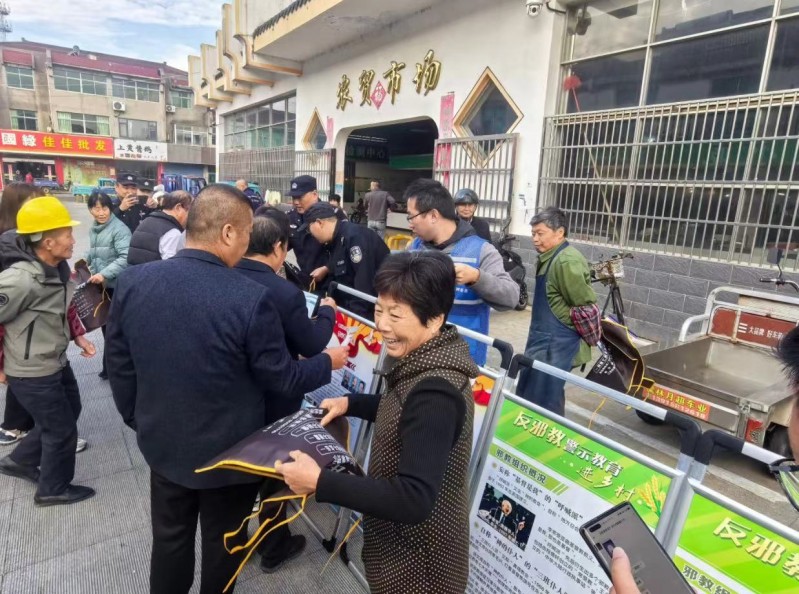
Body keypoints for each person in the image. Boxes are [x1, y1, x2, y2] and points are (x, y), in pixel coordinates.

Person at [106, 183, 348, 594]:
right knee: (223, 547)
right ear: (229, 232)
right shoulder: (250, 298)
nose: (249, 243)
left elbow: (119, 363)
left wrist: (137, 418)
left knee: (170, 541)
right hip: (229, 454)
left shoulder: (134, 281)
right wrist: (328, 362)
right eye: (247, 232)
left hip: (162, 441)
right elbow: (282, 378)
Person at [279, 250, 479, 594]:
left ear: (434, 319)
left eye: (395, 314)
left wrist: (319, 481)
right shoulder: (424, 360)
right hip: (397, 547)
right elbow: (402, 409)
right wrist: (350, 403)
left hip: (420, 569)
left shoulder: (436, 392)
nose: (382, 325)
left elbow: (413, 498)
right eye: (378, 310)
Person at [234, 208, 338, 573]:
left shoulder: (226, 275)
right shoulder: (283, 292)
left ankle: (237, 538)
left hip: (234, 400)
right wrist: (328, 312)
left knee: (241, 472)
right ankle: (274, 544)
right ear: (279, 247)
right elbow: (311, 343)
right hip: (276, 399)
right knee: (274, 472)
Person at [0, 197, 96, 506]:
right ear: (47, 241)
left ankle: (20, 461)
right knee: (61, 429)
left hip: (54, 360)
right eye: (67, 234)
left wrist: (78, 337)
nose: (73, 240)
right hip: (31, 371)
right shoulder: (20, 279)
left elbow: (63, 309)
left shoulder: (56, 268)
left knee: (70, 410)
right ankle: (52, 489)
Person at [405, 179, 519, 366]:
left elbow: (511, 297)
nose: (410, 224)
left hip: (462, 360)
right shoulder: (414, 248)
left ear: (433, 215)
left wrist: (477, 278)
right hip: (418, 352)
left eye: (411, 217)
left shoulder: (482, 251)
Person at [516, 206, 597, 417]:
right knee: (530, 395)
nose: (535, 239)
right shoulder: (548, 256)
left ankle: (548, 435)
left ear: (559, 232)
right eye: (533, 233)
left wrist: (565, 322)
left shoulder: (566, 261)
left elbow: (585, 307)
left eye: (540, 233)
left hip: (557, 345)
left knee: (545, 402)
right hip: (542, 341)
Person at [305, 202, 390, 320]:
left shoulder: (355, 238)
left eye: (309, 228)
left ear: (319, 223)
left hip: (368, 311)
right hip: (348, 303)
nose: (311, 234)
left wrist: (353, 320)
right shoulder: (336, 239)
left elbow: (364, 287)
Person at [85, 191, 131, 380]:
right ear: (90, 210)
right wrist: (84, 262)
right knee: (107, 328)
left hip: (115, 287)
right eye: (96, 208)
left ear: (110, 208)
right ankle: (110, 369)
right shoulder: (95, 228)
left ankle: (117, 370)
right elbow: (95, 252)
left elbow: (125, 257)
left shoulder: (119, 229)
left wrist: (103, 274)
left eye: (104, 208)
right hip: (103, 288)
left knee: (113, 331)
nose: (101, 212)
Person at [287, 175, 329, 290]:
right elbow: (282, 245)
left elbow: (343, 249)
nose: (296, 202)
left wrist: (327, 268)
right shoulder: (291, 217)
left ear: (314, 194)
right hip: (303, 279)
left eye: (300, 197)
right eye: (293, 198)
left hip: (328, 280)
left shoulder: (331, 215)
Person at [127, 190, 192, 264]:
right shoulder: (172, 232)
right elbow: (172, 266)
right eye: (190, 211)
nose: (192, 217)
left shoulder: (147, 221)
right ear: (178, 208)